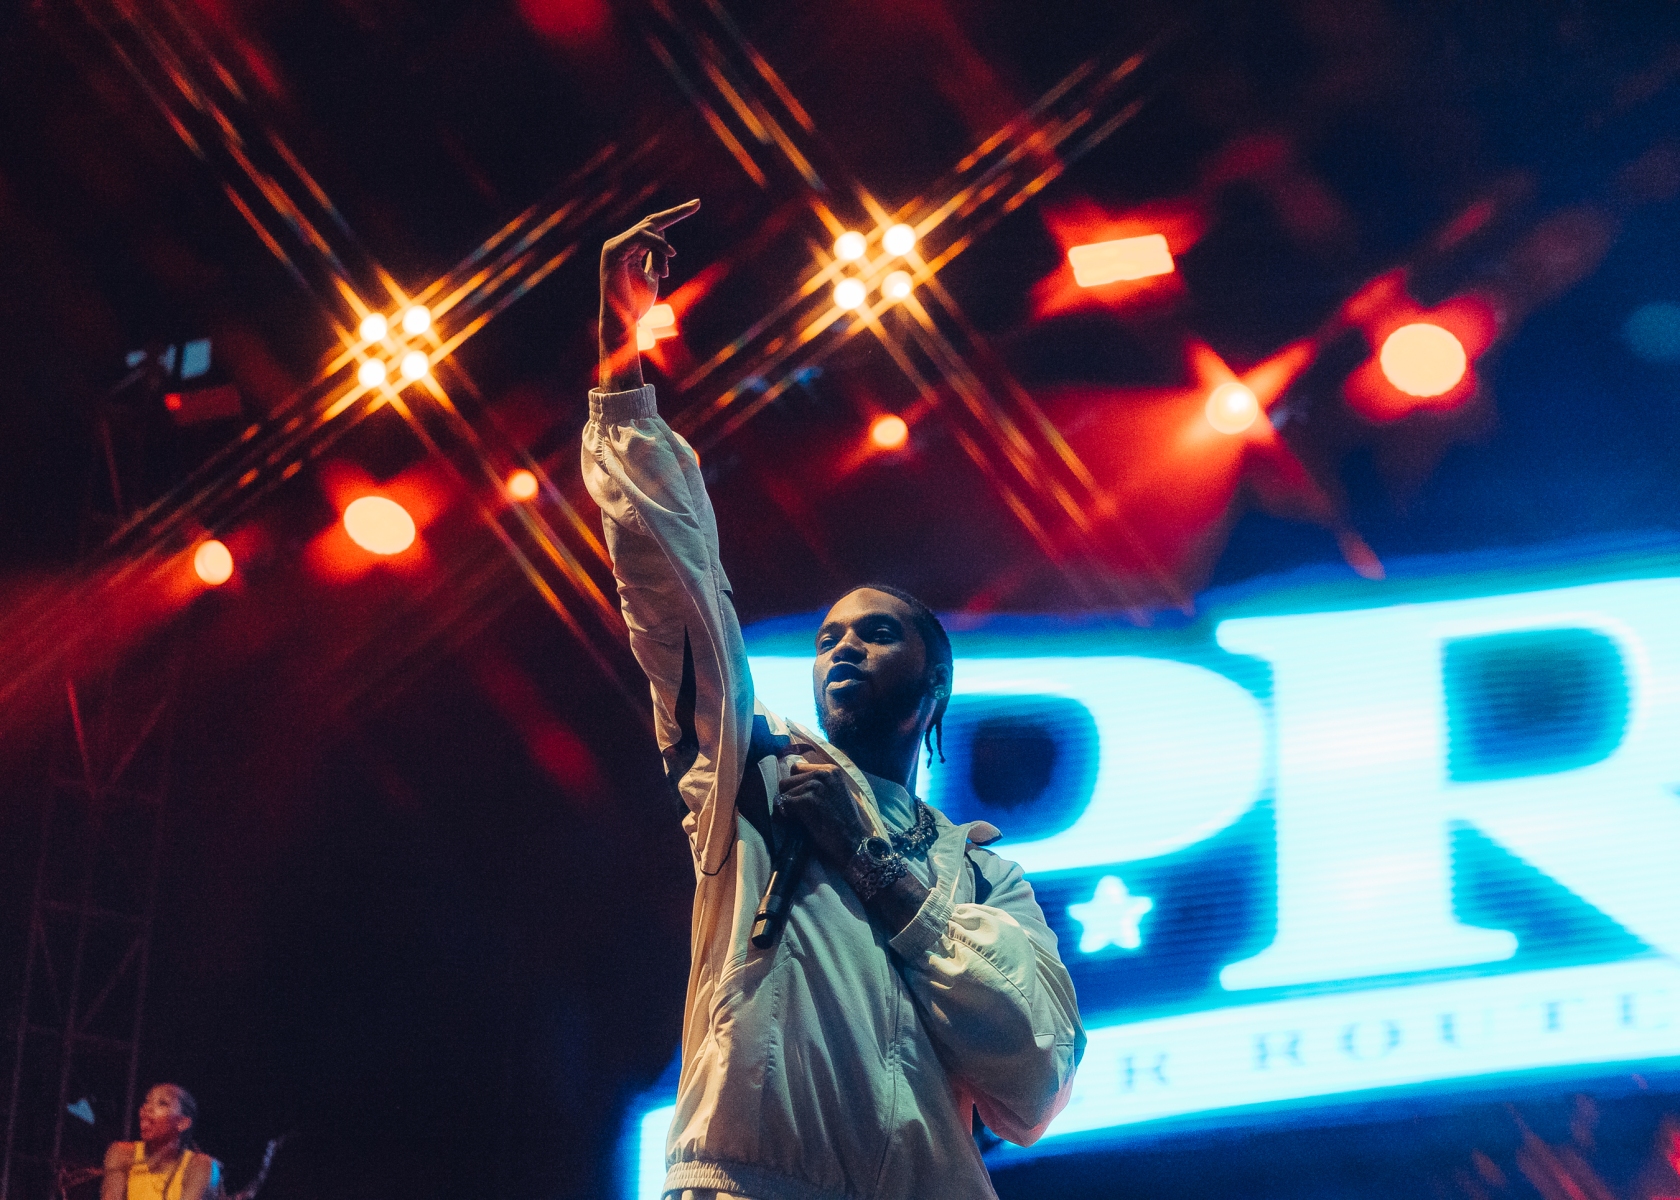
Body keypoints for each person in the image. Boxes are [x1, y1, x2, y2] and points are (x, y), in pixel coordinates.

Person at [582, 201, 1086, 1200]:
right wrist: (621, 381)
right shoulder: (756, 780)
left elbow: (1034, 1083)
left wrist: (878, 870)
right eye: (827, 638)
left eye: (877, 632)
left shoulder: (985, 881)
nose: (843, 647)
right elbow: (679, 597)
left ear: (934, 684)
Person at [100, 1085, 221, 1200]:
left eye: (162, 1103)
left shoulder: (199, 1165)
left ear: (182, 1123)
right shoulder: (122, 1153)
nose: (147, 1108)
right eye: (147, 1101)